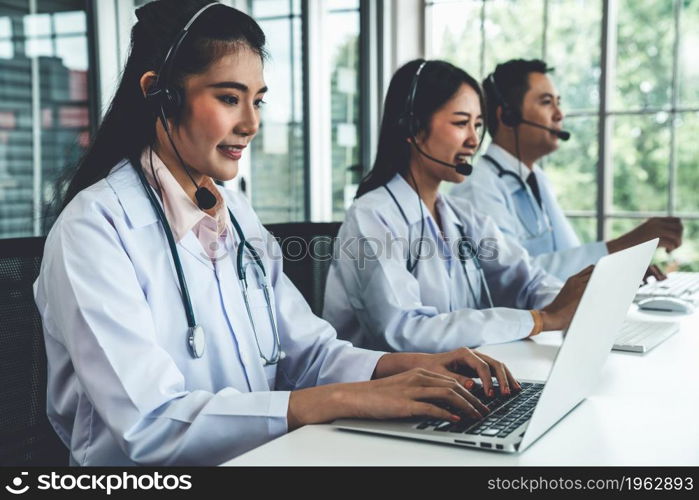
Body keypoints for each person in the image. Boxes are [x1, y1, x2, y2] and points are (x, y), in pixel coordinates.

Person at [33, 1, 520, 466]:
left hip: (267, 460)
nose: (251, 124)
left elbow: (310, 353)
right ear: (159, 93)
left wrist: (410, 370)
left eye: (258, 101)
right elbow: (151, 423)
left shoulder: (236, 215)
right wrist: (340, 399)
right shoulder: (94, 229)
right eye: (229, 98)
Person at [322, 59, 592, 354]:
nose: (474, 140)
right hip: (388, 392)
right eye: (461, 123)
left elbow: (527, 281)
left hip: (455, 384)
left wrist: (572, 302)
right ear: (412, 126)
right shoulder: (372, 218)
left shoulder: (462, 217)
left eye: (478, 125)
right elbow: (405, 330)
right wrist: (539, 320)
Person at [450, 59, 683, 281]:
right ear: (508, 116)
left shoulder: (537, 179)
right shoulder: (478, 190)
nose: (560, 114)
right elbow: (516, 278)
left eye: (558, 102)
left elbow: (569, 259)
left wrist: (619, 270)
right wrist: (629, 243)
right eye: (546, 102)